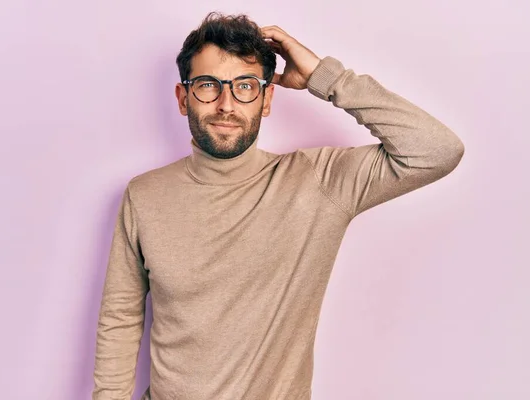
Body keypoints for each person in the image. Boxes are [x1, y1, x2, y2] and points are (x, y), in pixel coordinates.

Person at [91, 11, 465, 400]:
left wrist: (326, 76)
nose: (225, 104)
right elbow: (120, 318)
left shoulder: (318, 182)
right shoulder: (144, 194)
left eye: (245, 87)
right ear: (184, 98)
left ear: (267, 99)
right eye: (207, 86)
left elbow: (436, 150)